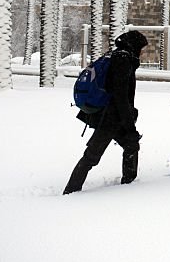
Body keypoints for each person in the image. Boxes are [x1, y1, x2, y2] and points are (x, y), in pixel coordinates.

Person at [63, 30, 148, 194]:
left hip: (114, 114)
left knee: (131, 145)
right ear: (134, 45)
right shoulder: (122, 60)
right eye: (142, 48)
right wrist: (129, 123)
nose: (142, 52)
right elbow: (120, 95)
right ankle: (70, 191)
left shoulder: (120, 56)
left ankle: (128, 186)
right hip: (110, 117)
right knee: (92, 155)